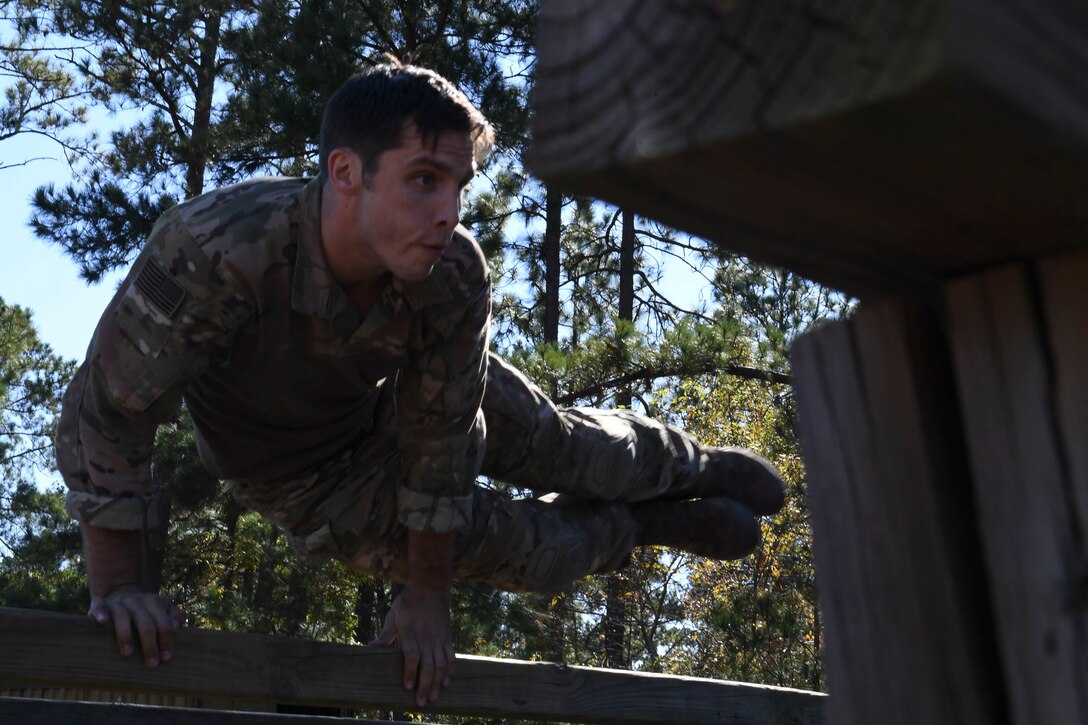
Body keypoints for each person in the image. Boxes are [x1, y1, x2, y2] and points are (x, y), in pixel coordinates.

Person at [55, 62, 784, 708]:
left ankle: (689, 463)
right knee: (538, 551)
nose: (448, 212)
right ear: (346, 173)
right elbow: (108, 411)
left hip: (406, 388)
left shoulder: (451, 270)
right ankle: (645, 526)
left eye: (459, 186)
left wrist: (428, 592)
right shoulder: (216, 252)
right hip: (304, 474)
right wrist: (121, 585)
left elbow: (443, 431)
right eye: (424, 180)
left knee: (570, 447)